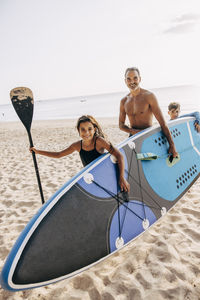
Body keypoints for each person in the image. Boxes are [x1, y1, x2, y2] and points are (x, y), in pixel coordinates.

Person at [30, 115, 130, 192]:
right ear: (78, 131)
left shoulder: (99, 141)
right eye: (83, 129)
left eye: (89, 129)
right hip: (91, 179)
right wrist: (38, 151)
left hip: (105, 175)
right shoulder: (77, 146)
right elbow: (59, 154)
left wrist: (122, 177)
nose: (86, 133)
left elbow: (119, 155)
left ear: (94, 129)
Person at [119, 67, 178, 158]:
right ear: (125, 81)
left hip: (148, 136)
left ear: (140, 79)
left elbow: (163, 123)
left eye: (135, 78)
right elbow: (121, 125)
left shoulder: (149, 96)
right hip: (133, 138)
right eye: (128, 79)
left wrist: (172, 145)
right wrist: (133, 131)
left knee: (151, 162)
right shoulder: (124, 101)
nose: (132, 81)